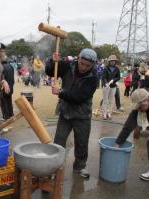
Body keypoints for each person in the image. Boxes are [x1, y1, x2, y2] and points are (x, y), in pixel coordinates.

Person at [46, 48, 98, 178]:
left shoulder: (93, 78)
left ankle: (80, 167)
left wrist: (61, 92)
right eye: (82, 63)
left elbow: (79, 97)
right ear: (78, 59)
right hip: (65, 112)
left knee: (81, 142)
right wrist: (53, 61)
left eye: (88, 65)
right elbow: (50, 71)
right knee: (59, 141)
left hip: (82, 115)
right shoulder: (68, 66)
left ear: (93, 65)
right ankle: (55, 167)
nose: (84, 67)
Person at [101, 55, 121, 120]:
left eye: (114, 61)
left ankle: (109, 113)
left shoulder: (117, 69)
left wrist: (114, 80)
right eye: (111, 61)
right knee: (105, 100)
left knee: (111, 100)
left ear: (115, 61)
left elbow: (118, 77)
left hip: (113, 86)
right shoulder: (106, 68)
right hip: (106, 86)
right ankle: (104, 113)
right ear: (109, 61)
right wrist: (106, 83)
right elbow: (103, 77)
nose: (112, 62)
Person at [0, 43, 14, 120]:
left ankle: (6, 116)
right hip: (10, 86)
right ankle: (11, 114)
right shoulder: (10, 66)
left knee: (4, 102)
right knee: (9, 101)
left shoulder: (1, 67)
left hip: (4, 87)